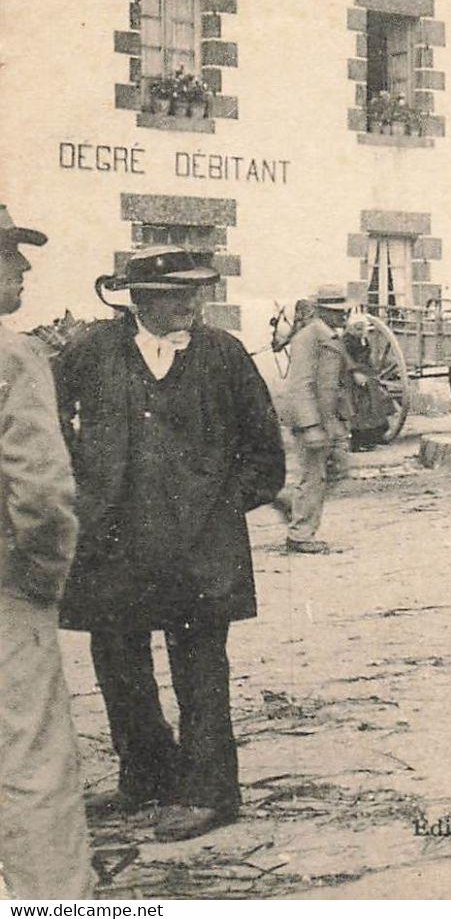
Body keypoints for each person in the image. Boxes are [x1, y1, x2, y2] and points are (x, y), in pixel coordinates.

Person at [56, 246, 285, 842]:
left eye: (198, 291)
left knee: (201, 671)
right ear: (138, 298)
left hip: (200, 554)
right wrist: (81, 494)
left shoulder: (224, 356)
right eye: (175, 294)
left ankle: (211, 793)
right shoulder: (90, 352)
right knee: (119, 667)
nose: (191, 305)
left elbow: (265, 454)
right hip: (112, 548)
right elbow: (46, 427)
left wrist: (218, 509)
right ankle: (146, 776)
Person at [0, 205, 93, 897]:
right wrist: (41, 580)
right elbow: (42, 493)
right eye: (9, 254)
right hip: (6, 592)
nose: (24, 268)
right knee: (33, 760)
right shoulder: (12, 355)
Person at [283, 286, 351, 554]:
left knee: (337, 469)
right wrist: (309, 426)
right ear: (322, 312)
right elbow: (300, 385)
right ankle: (300, 534)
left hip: (330, 420)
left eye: (344, 310)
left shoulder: (332, 336)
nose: (344, 315)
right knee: (313, 475)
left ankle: (297, 504)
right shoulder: (307, 338)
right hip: (312, 421)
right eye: (337, 311)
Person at [343, 318, 394, 451]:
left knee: (373, 405)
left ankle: (374, 437)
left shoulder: (364, 340)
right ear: (351, 328)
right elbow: (346, 358)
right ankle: (357, 443)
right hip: (354, 376)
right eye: (357, 329)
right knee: (359, 408)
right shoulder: (346, 340)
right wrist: (355, 372)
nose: (360, 332)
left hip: (366, 372)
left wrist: (372, 373)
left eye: (362, 329)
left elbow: (367, 357)